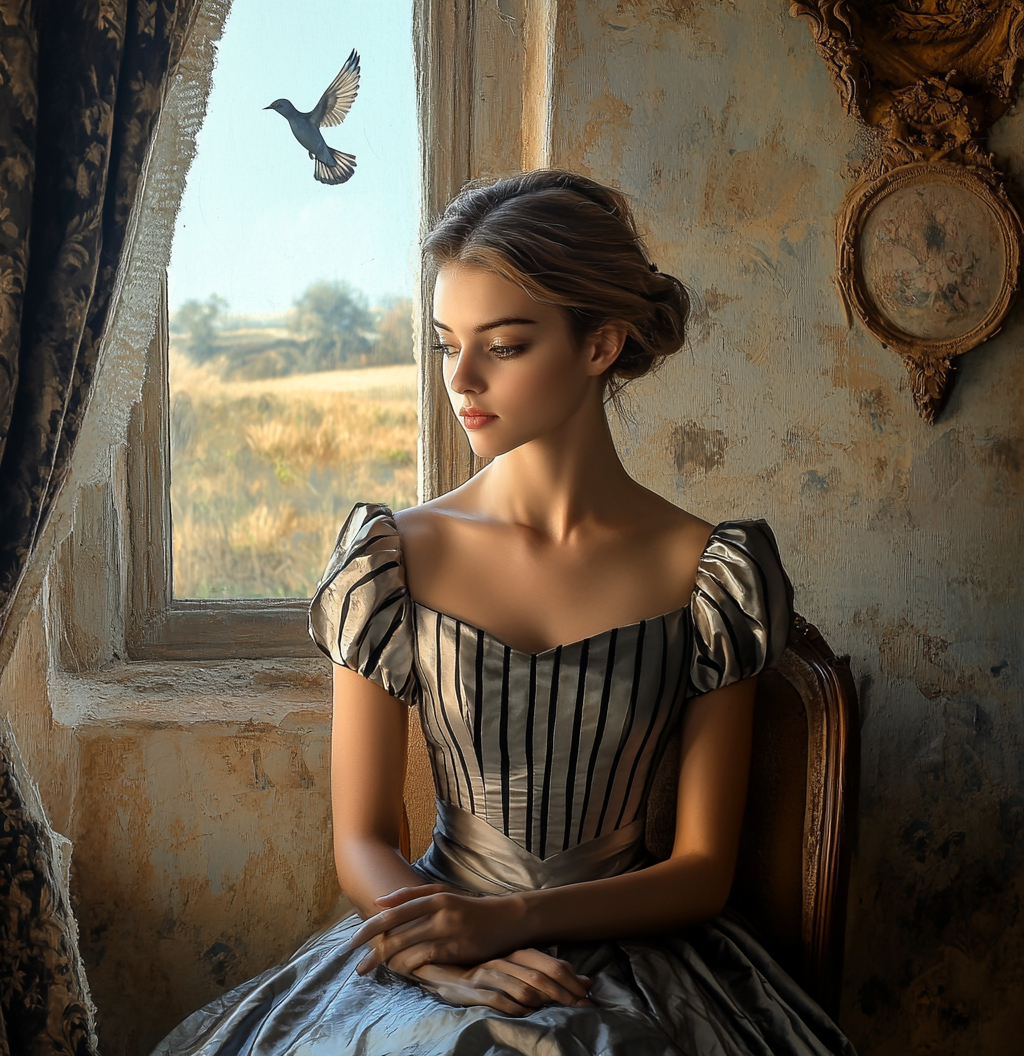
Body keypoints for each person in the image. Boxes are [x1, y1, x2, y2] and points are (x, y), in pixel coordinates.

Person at [152, 170, 856, 1055]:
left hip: (643, 962)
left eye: (505, 346)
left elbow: (702, 871)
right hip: (432, 949)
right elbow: (363, 839)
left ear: (601, 343)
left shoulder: (711, 573)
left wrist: (509, 921)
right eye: (447, 345)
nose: (463, 379)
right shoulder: (392, 556)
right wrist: (445, 960)